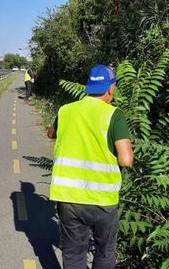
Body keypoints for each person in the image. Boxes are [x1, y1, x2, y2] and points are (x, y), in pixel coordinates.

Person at [47, 64, 133, 269]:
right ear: (111, 88)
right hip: (102, 200)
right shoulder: (114, 115)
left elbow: (51, 133)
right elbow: (126, 159)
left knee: (73, 252)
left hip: (68, 197)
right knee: (105, 250)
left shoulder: (66, 110)